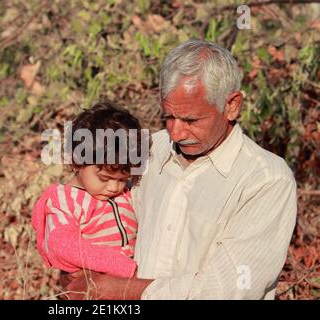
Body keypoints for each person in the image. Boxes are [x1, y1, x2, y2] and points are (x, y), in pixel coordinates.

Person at [62, 39, 297, 300]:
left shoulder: (266, 180)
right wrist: (75, 267)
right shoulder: (151, 149)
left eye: (190, 120)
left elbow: (230, 288)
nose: (176, 132)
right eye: (169, 117)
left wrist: (119, 290)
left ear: (231, 105)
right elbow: (98, 210)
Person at [32, 102, 147, 280]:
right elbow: (61, 245)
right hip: (98, 286)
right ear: (77, 161)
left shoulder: (125, 194)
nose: (114, 187)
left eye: (123, 179)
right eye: (104, 178)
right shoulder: (64, 200)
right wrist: (122, 267)